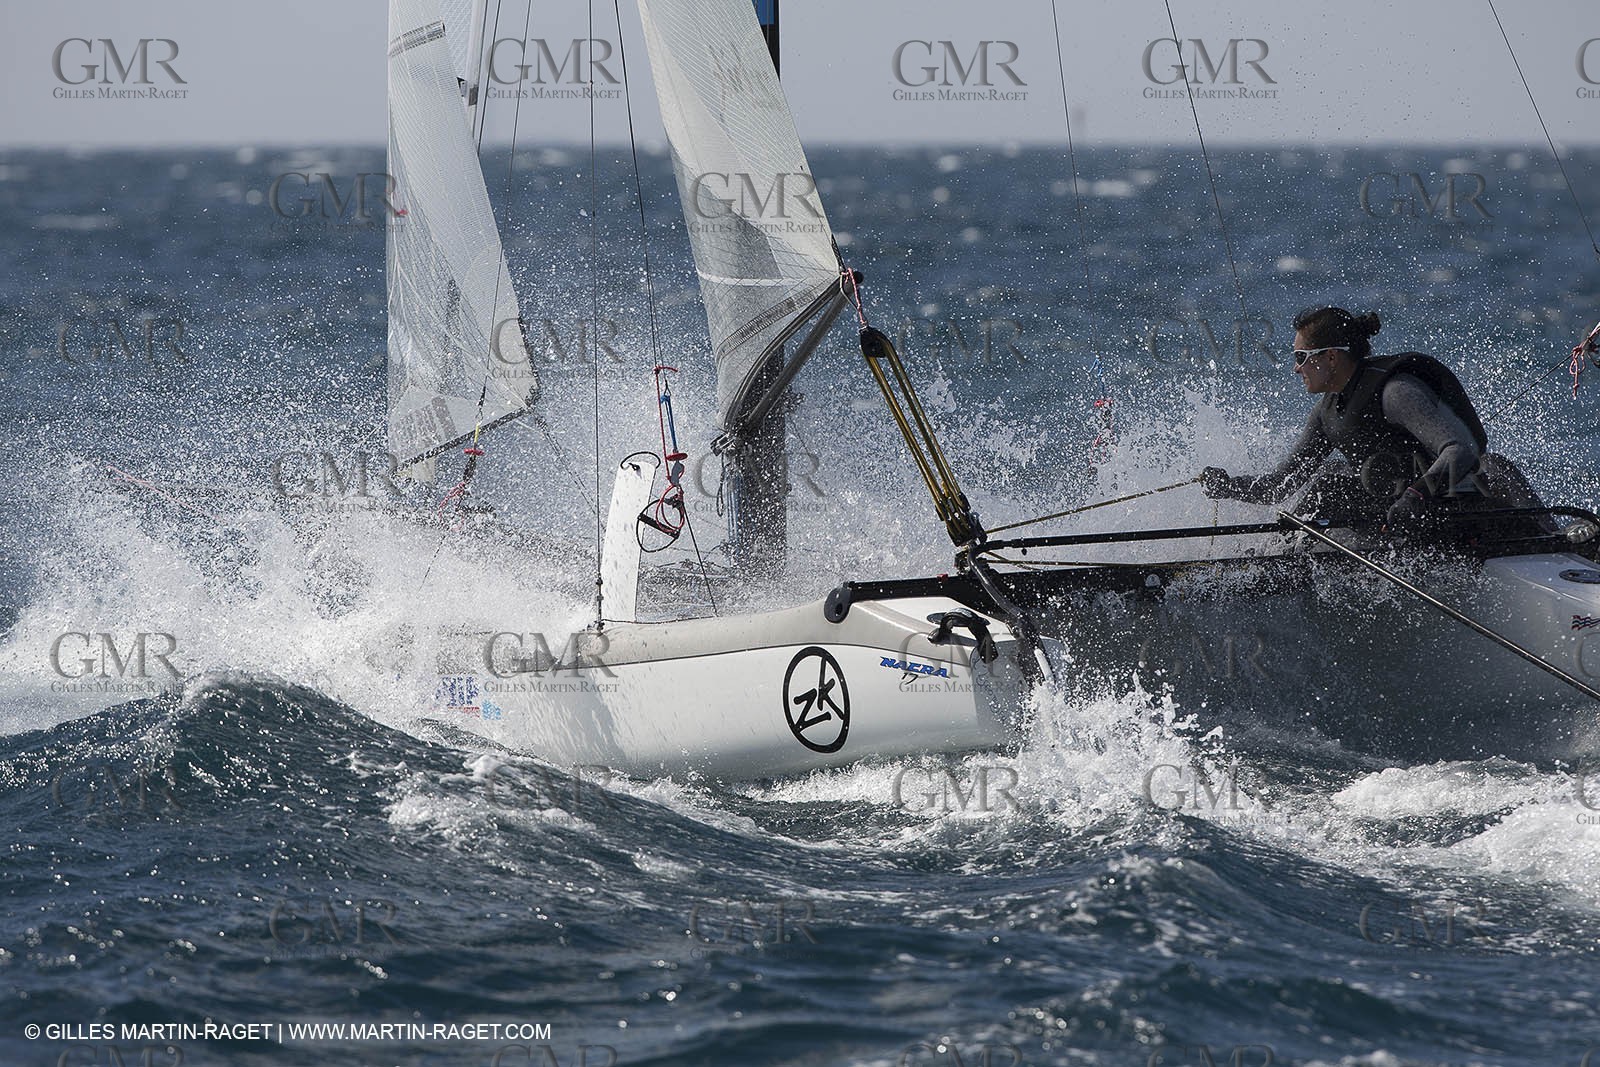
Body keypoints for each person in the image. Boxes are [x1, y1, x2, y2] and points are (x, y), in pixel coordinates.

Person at [1198, 306, 1547, 534]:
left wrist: (1416, 495)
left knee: (1496, 467)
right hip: (1398, 515)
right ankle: (1282, 558)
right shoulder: (1326, 412)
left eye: (1302, 357)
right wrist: (1228, 486)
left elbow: (1462, 449)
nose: (1296, 367)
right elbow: (1281, 484)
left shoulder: (1395, 392)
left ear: (1331, 357)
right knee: (1328, 484)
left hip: (1457, 509)